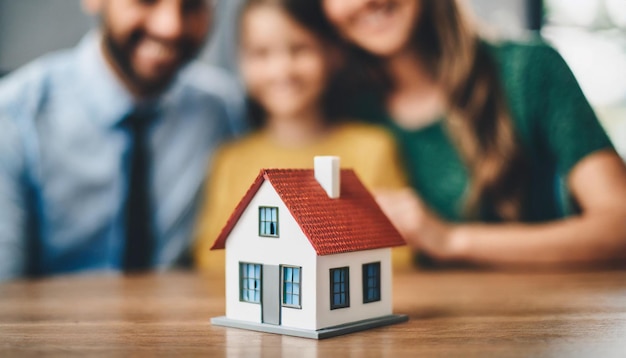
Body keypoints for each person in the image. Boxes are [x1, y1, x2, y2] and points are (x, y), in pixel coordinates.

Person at [297, 0, 626, 268]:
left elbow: (619, 226)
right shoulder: (346, 111)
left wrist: (451, 240)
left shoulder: (529, 70)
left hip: (545, 326)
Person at [0, 0, 244, 281]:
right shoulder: (15, 115)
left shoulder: (223, 110)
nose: (171, 27)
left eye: (193, 5)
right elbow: (6, 292)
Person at [193, 0, 409, 272]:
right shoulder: (229, 160)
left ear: (333, 53)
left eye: (300, 49)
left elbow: (395, 256)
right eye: (261, 53)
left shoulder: (373, 149)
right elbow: (211, 260)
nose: (282, 70)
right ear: (240, 60)